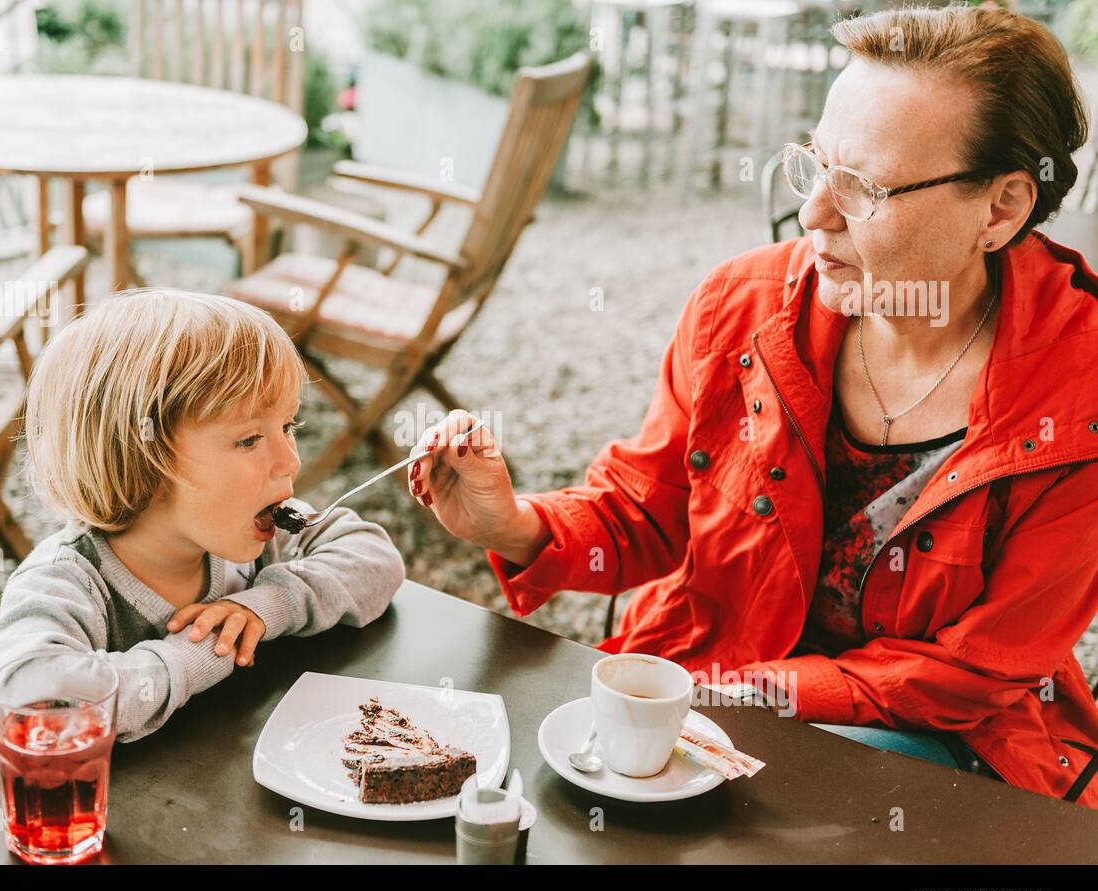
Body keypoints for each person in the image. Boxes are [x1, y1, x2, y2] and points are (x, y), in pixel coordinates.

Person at [408, 4, 1098, 808]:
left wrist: (752, 696)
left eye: (865, 187)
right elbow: (650, 509)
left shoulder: (1078, 395)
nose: (814, 215)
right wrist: (514, 523)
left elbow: (975, 671)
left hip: (934, 733)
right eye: (813, 165)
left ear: (1002, 209)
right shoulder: (744, 305)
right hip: (715, 690)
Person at [0, 289, 404, 748]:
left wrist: (266, 606)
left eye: (288, 427)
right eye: (249, 440)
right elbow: (22, 701)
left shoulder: (265, 536)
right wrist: (196, 654)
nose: (289, 462)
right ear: (144, 457)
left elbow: (375, 559)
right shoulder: (69, 582)